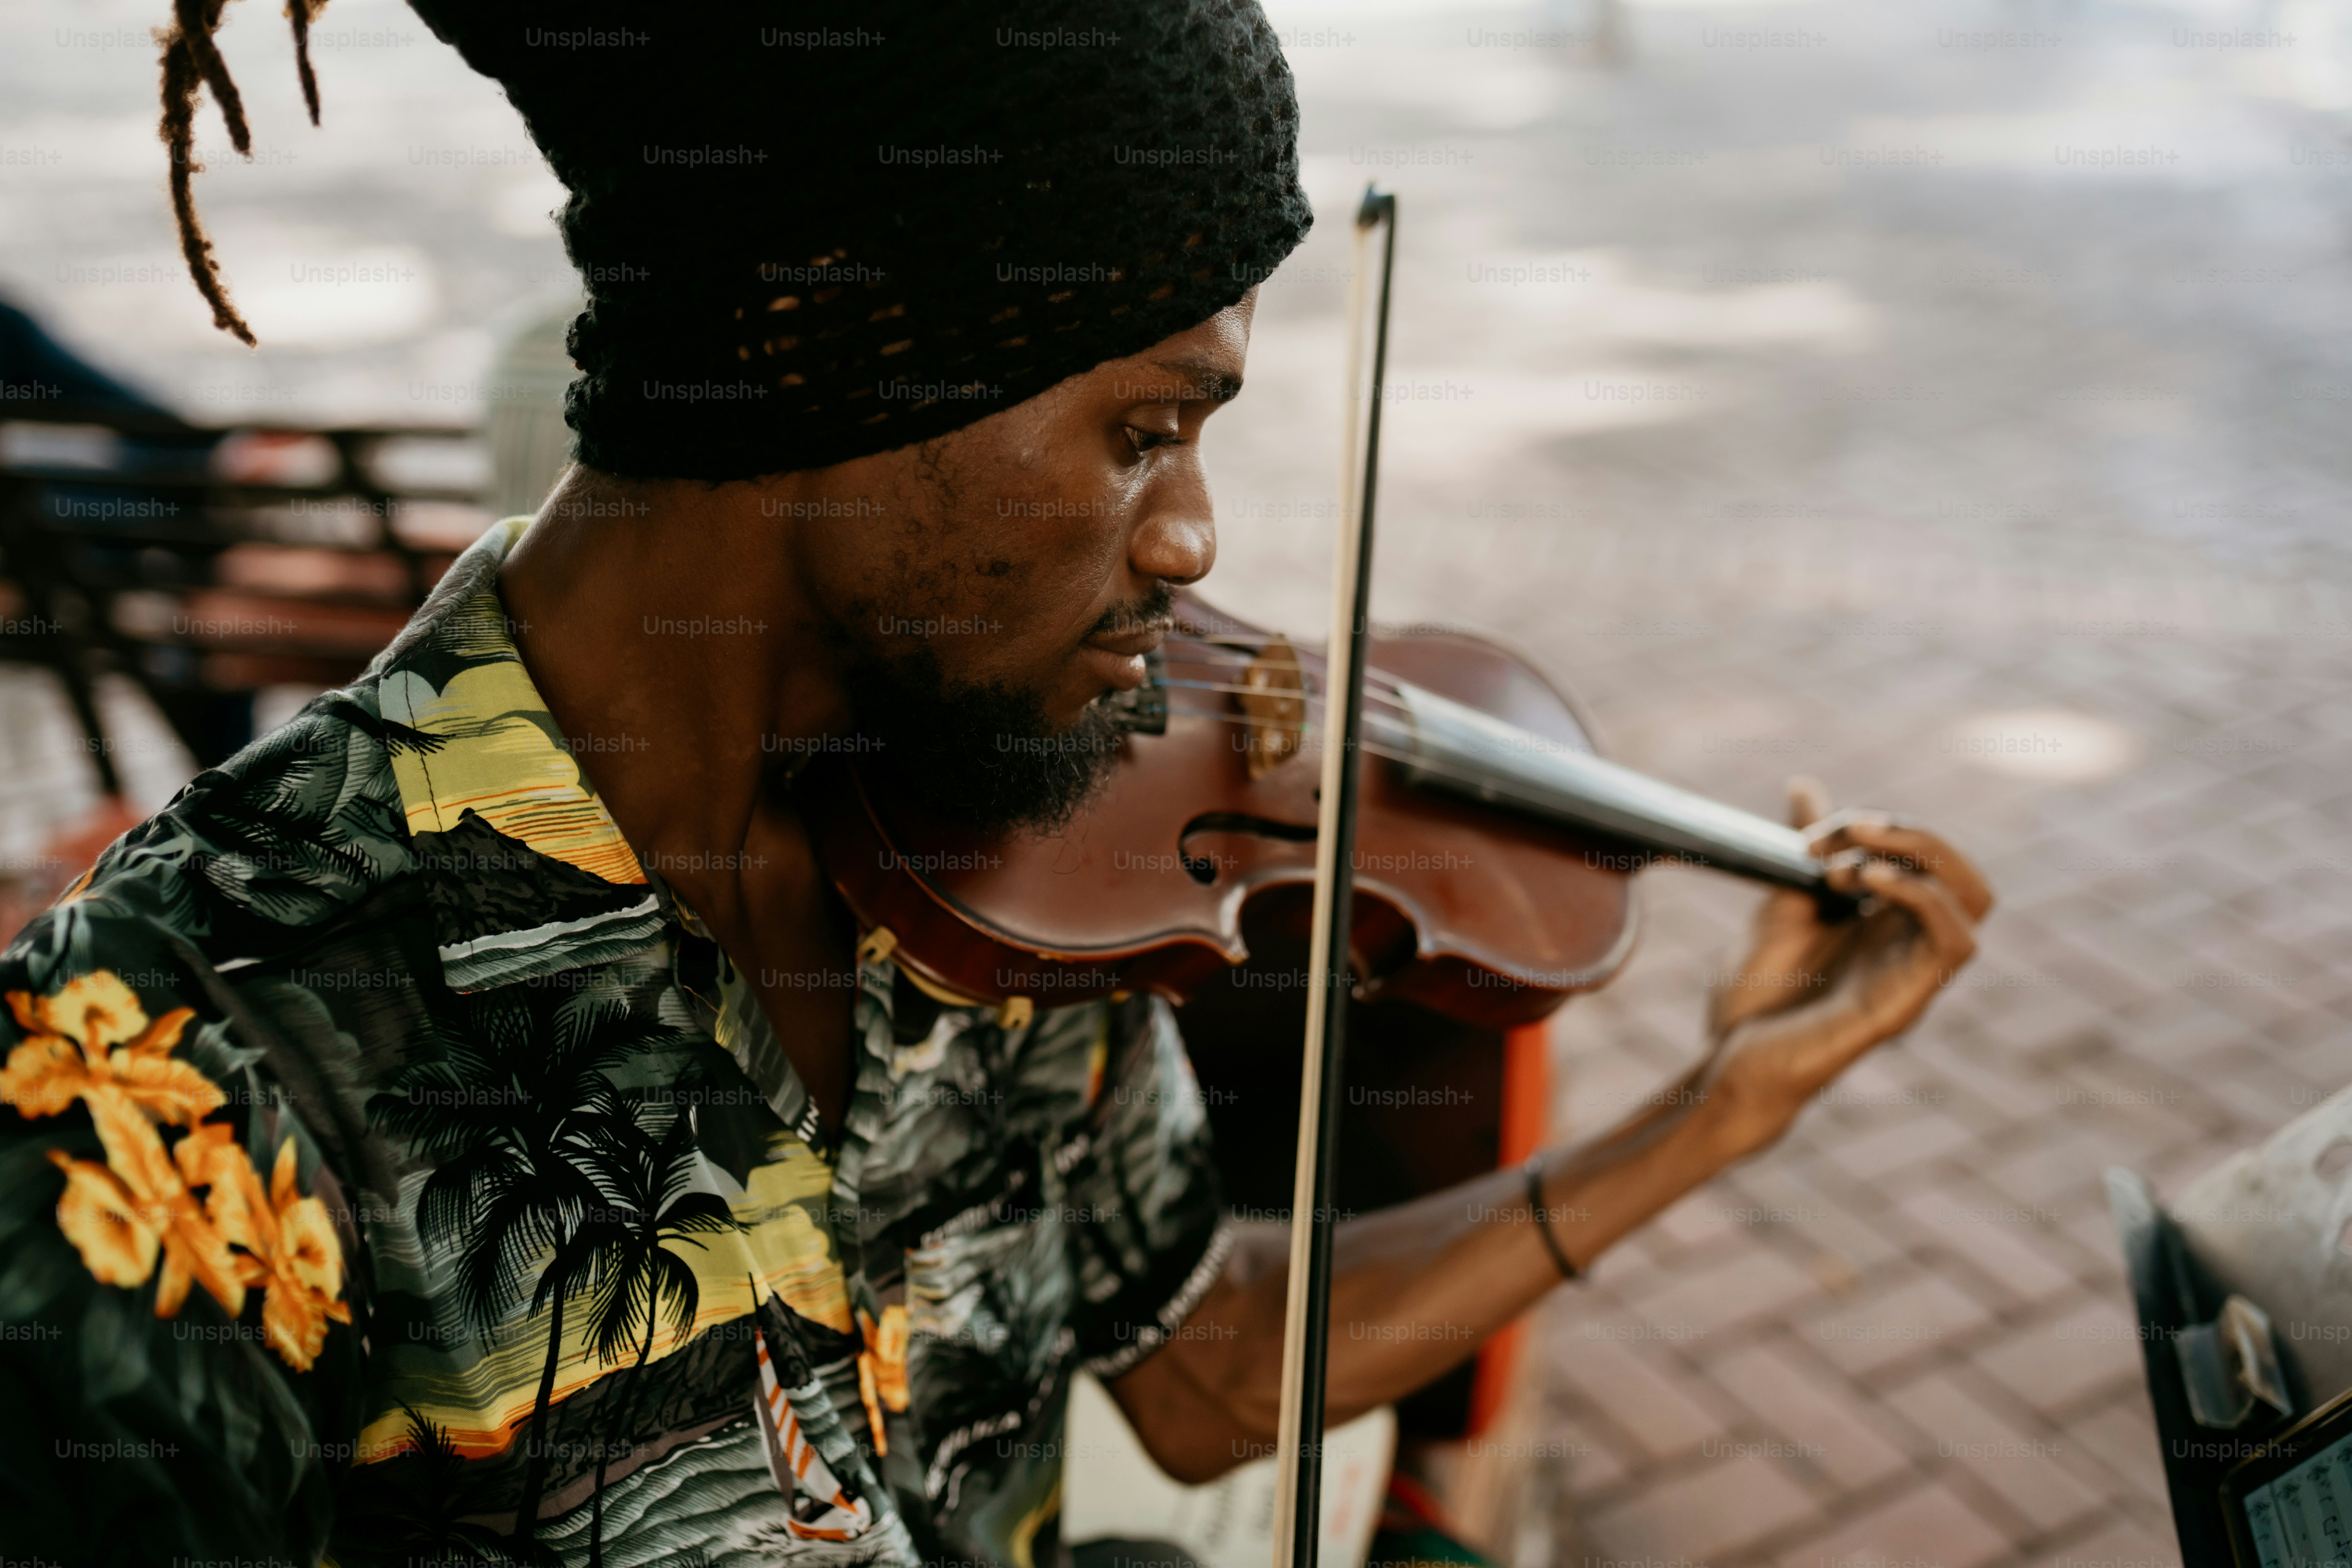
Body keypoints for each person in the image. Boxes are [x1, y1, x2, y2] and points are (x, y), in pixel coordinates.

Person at [0, 3, 1991, 1564]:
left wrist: (1725, 1110)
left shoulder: (1000, 845)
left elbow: (1200, 1360)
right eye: (1146, 428)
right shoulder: (168, 1070)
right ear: (832, 344)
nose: (1199, 543)